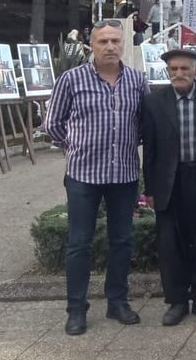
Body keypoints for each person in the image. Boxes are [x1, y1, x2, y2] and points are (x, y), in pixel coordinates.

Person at [45, 19, 148, 336]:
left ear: (123, 44)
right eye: (103, 41)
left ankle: (117, 302)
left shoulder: (137, 80)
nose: (110, 47)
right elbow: (53, 123)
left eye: (116, 41)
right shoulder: (71, 79)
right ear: (91, 45)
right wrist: (75, 146)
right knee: (79, 244)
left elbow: (145, 123)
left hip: (124, 174)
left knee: (122, 241)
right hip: (83, 176)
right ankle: (76, 309)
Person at [141, 47, 196, 326]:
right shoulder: (154, 102)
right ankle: (177, 300)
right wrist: (150, 190)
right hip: (170, 181)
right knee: (170, 243)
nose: (179, 73)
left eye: (184, 69)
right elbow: (150, 149)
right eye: (173, 69)